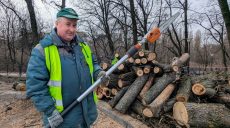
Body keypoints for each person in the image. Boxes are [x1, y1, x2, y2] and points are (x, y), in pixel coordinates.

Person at [26, 8, 109, 128]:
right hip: (63, 119)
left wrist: (98, 73)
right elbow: (35, 86)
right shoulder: (43, 50)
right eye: (68, 24)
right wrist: (50, 111)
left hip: (87, 115)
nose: (72, 29)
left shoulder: (83, 46)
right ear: (57, 23)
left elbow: (93, 64)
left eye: (74, 25)